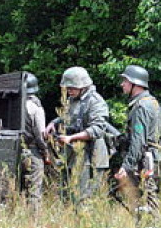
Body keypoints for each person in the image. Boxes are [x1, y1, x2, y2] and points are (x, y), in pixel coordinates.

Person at [43, 66, 115, 205]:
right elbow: (67, 117)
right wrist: (53, 123)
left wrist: (71, 138)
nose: (69, 91)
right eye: (67, 88)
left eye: (72, 88)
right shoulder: (73, 100)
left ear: (83, 86)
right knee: (67, 196)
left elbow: (98, 128)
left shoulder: (95, 101)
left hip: (91, 157)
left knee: (84, 199)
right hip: (72, 155)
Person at [112, 65, 161, 218]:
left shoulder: (141, 106)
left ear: (135, 83)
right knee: (147, 198)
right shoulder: (151, 101)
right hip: (150, 157)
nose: (122, 84)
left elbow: (138, 140)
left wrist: (126, 166)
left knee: (147, 199)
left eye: (125, 81)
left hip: (144, 161)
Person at [19, 72, 47, 210]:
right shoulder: (35, 107)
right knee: (34, 190)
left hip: (16, 151)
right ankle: (33, 221)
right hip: (33, 151)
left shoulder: (15, 105)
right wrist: (45, 152)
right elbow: (40, 134)